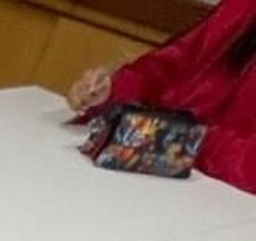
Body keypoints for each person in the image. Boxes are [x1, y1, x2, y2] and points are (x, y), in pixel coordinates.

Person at [68, 0, 256, 192]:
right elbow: (167, 70)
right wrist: (111, 91)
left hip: (225, 200)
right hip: (163, 170)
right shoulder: (242, 6)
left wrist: (188, 139)